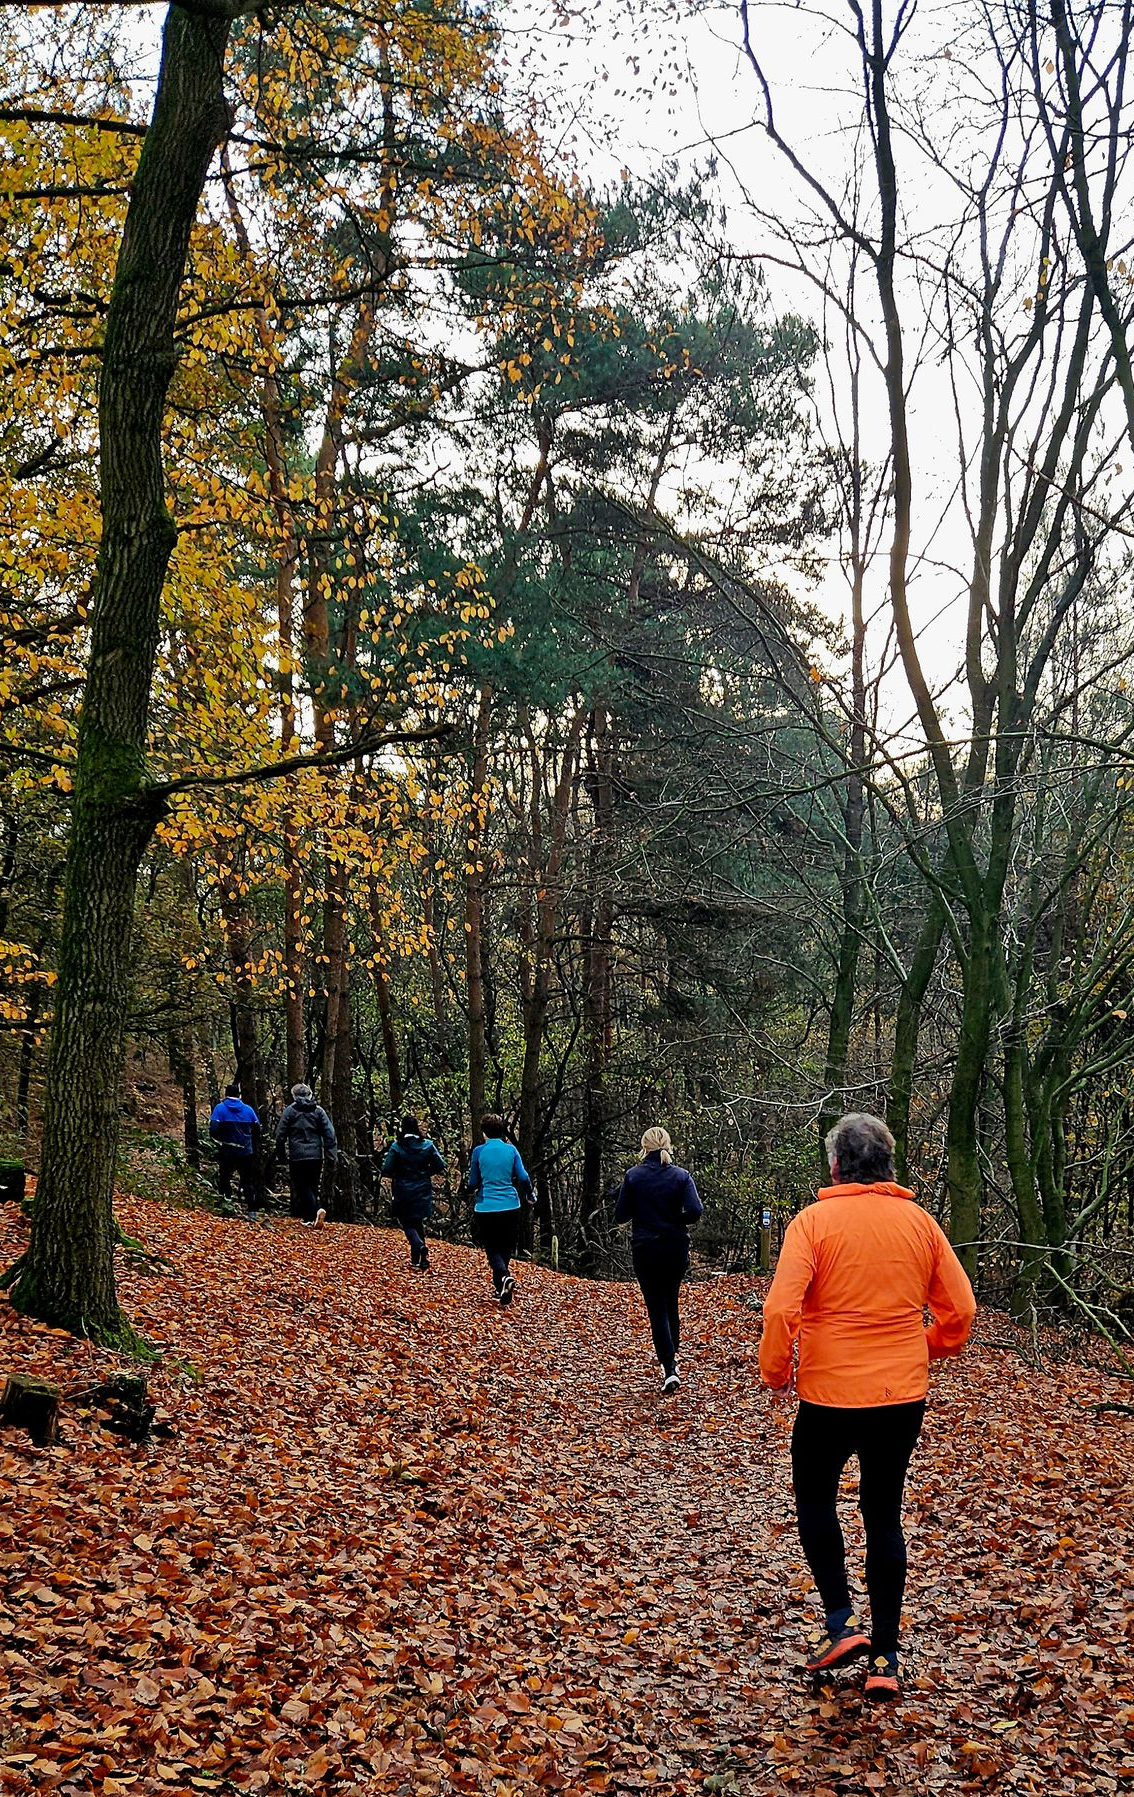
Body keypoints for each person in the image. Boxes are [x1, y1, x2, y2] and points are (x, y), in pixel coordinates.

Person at [758, 1111, 976, 1704]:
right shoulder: (920, 1224)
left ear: (834, 1164)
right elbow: (960, 1311)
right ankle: (884, 1654)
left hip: (827, 1396)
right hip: (900, 1396)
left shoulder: (813, 1224)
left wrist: (776, 1371)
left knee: (815, 1504)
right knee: (883, 1514)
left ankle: (839, 1620)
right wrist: (923, 1347)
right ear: (887, 1163)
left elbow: (781, 1311)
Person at [614, 1126, 703, 1394]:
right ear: (667, 1145)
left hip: (646, 1248)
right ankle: (671, 1356)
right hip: (675, 1247)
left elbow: (621, 1215)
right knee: (670, 1301)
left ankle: (669, 1365)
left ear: (644, 1148)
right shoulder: (681, 1176)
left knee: (656, 1307)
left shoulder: (633, 1176)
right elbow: (695, 1210)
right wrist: (677, 1219)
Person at [467, 1114, 533, 1305]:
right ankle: (501, 1285)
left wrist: (471, 1188)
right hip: (511, 1205)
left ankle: (503, 1277)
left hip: (486, 1205)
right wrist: (530, 1195)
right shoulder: (511, 1150)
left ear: (484, 1132)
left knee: (492, 1246)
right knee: (505, 1246)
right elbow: (522, 1177)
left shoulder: (479, 1152)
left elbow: (473, 1182)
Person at [382, 1114, 446, 1270]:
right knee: (417, 1222)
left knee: (407, 1222)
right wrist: (425, 1173)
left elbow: (386, 1169)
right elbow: (440, 1164)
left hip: (402, 1189)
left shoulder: (397, 1147)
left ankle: (418, 1246)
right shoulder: (428, 1146)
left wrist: (399, 1174)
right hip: (422, 1188)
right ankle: (420, 1259)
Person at [275, 1082, 337, 1226]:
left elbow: (280, 1135)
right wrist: (331, 1155)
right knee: (312, 1185)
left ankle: (316, 1210)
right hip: (316, 1155)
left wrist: (281, 1155)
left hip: (297, 1156)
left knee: (302, 1186)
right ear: (310, 1095)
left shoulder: (289, 1111)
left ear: (294, 1096)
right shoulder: (319, 1111)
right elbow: (330, 1133)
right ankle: (310, 1218)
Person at [208, 1083, 262, 1219]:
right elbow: (257, 1130)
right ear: (239, 1094)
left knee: (225, 1179)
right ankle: (252, 1211)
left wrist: (221, 1139)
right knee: (247, 1181)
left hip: (226, 1151)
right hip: (246, 1152)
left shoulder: (220, 1109)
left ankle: (226, 1208)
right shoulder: (248, 1110)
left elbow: (213, 1129)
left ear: (226, 1094)